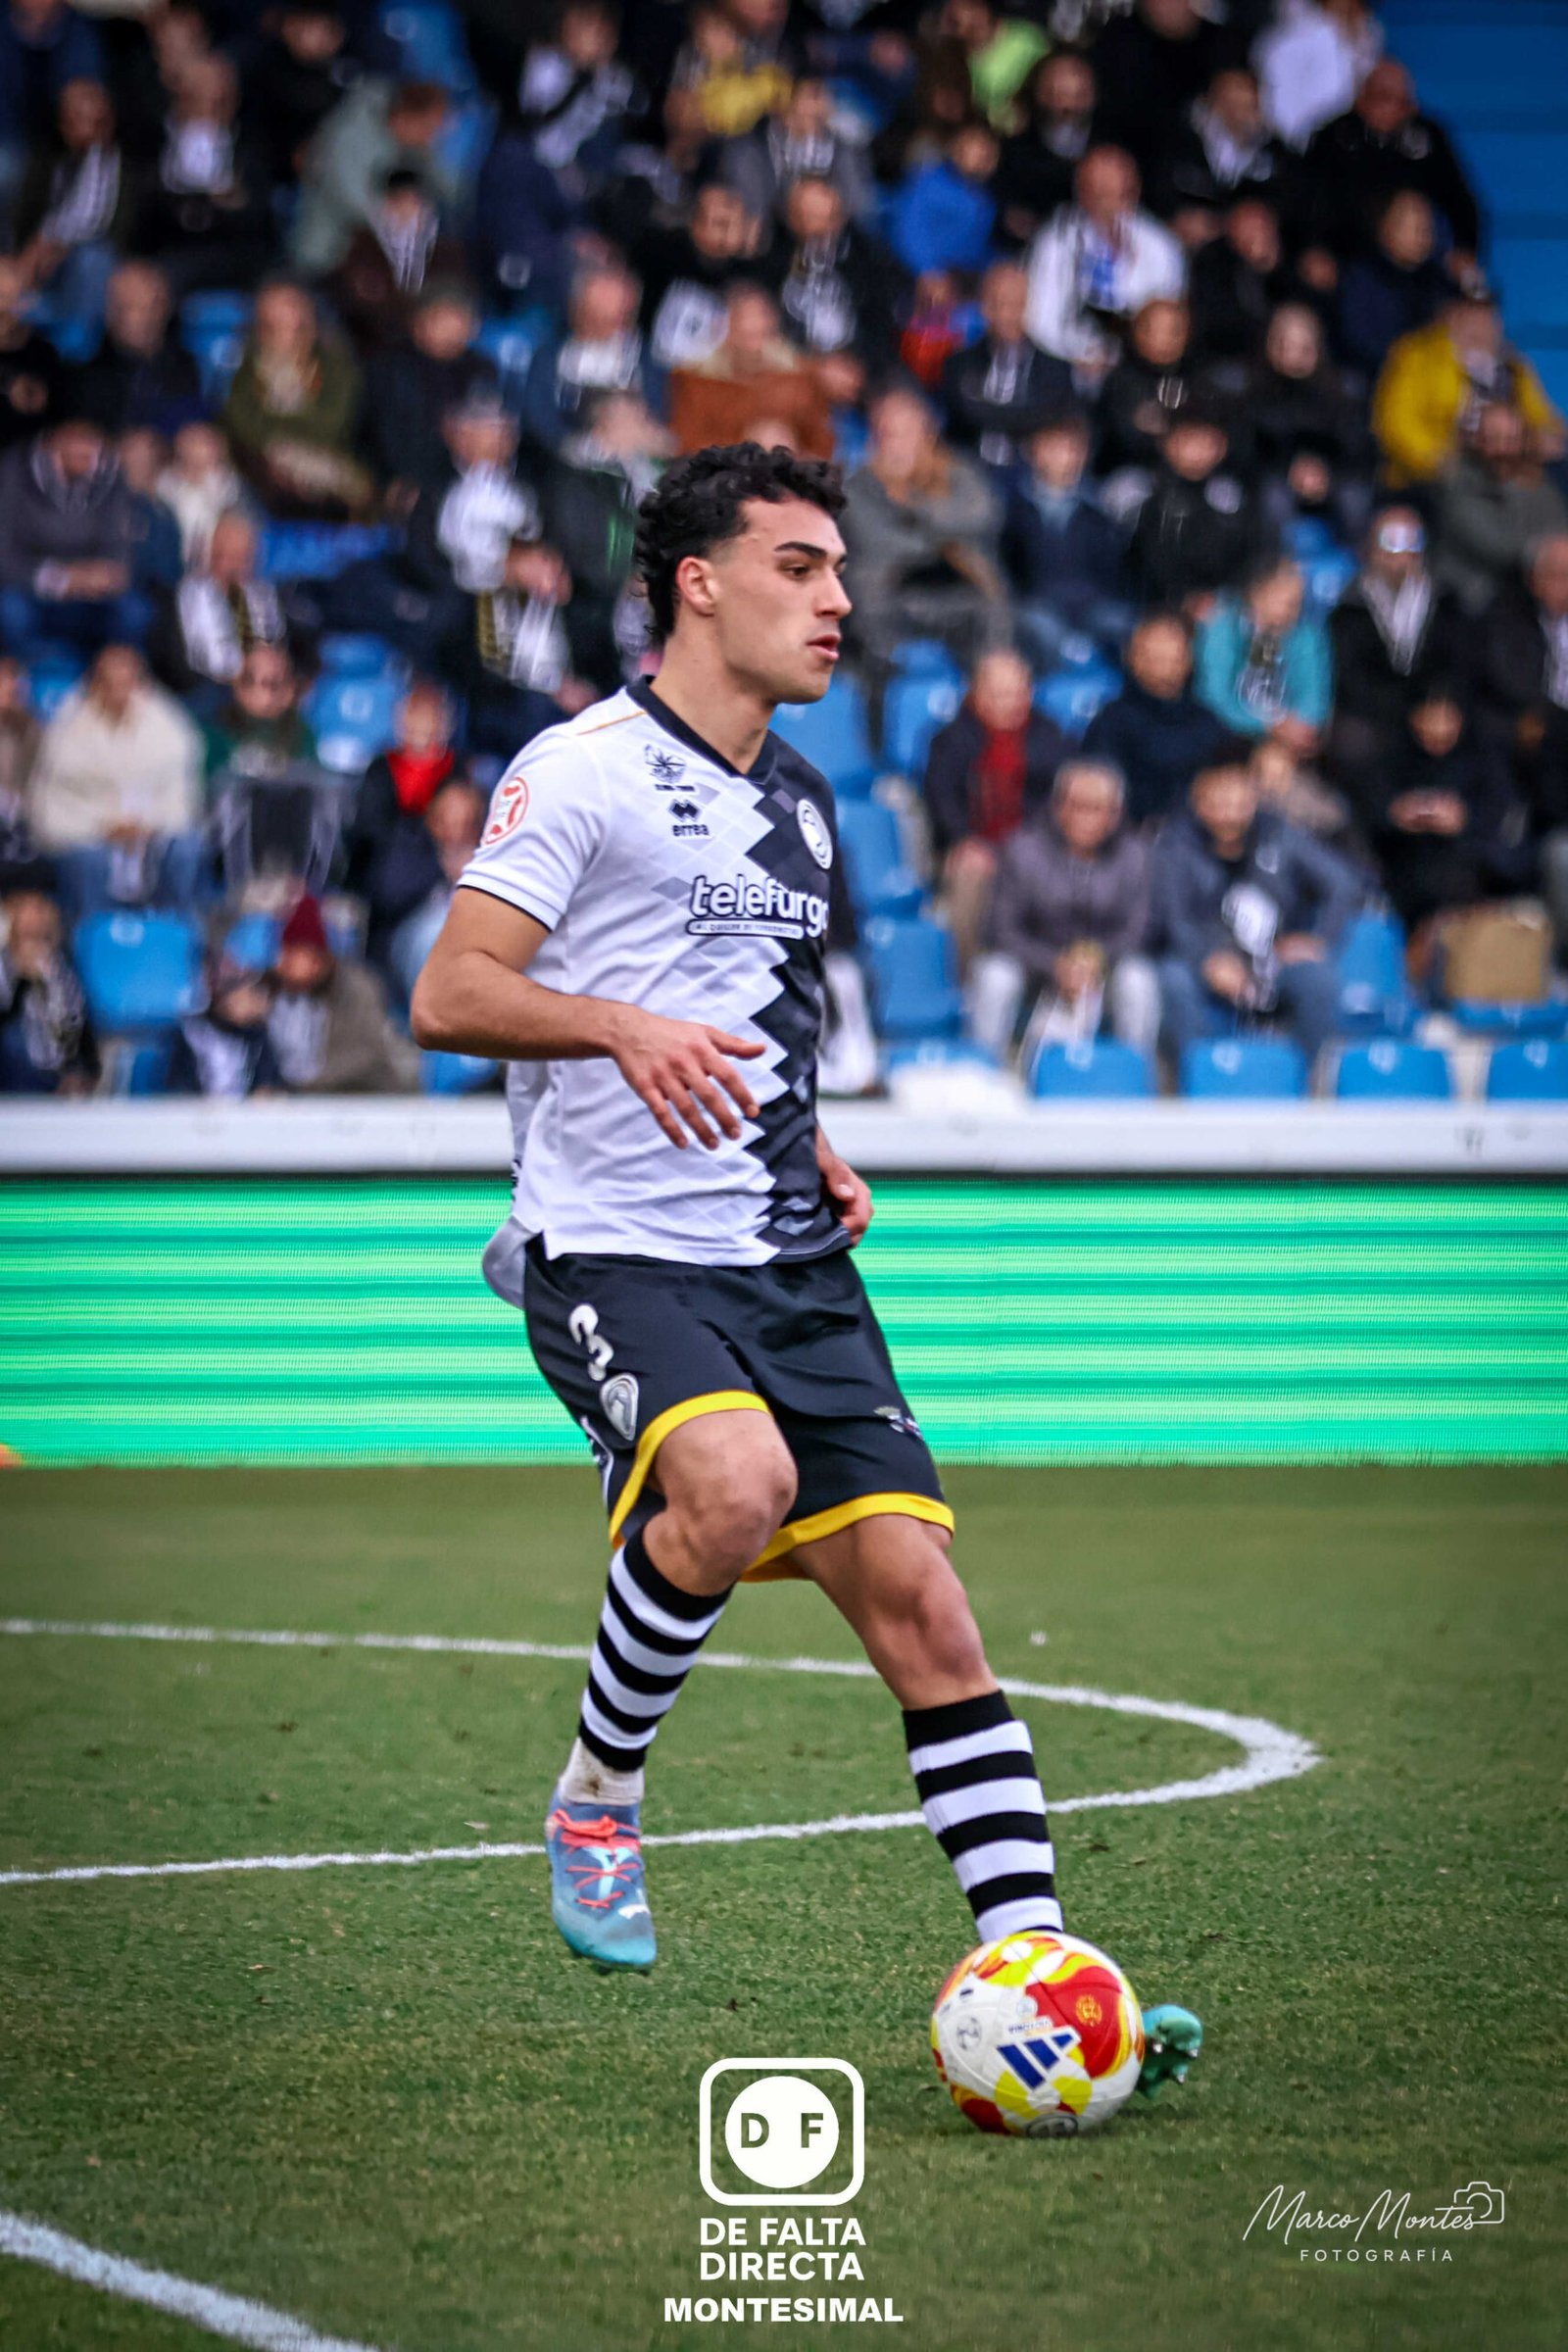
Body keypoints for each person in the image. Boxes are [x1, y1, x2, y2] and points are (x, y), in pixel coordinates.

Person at [409, 441, 1113, 2009]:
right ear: (697, 584)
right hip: (614, 1242)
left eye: (843, 572)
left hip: (790, 1250)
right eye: (801, 568)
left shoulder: (803, 803)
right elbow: (450, 994)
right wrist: (615, 1032)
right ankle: (598, 1794)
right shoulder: (579, 767)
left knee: (927, 1605)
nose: (839, 601)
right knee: (735, 1484)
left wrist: (821, 1140)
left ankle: (1041, 1970)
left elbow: (753, 1021)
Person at [1151, 749, 1361, 1070]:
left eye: (1238, 799)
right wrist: (1208, 959)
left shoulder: (1280, 833)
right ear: (1198, 801)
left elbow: (1343, 884)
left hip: (1271, 955)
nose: (1230, 812)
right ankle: (1199, 1080)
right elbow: (1172, 921)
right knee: (1173, 978)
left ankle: (1301, 1081)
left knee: (1317, 977)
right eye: (1218, 800)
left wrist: (1318, 939)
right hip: (1200, 957)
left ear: (1254, 797)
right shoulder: (1174, 845)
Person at [967, 758, 1158, 1064]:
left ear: (1114, 815)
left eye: (1097, 808)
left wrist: (1094, 962)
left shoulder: (1135, 855)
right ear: (1058, 807)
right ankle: (982, 1074)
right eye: (1077, 805)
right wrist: (1055, 964)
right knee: (994, 975)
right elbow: (1001, 929)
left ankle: (1133, 1078)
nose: (1085, 817)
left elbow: (1139, 929)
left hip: (1103, 971)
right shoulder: (1022, 849)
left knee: (1139, 979)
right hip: (1034, 968)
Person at [842, 384, 1006, 694]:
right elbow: (874, 542)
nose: (898, 444)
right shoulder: (858, 486)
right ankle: (886, 712)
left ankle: (990, 696)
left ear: (926, 433)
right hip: (891, 597)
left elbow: (983, 516)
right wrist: (938, 541)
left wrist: (912, 506)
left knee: (991, 599)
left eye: (906, 433)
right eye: (888, 434)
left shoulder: (956, 473)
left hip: (954, 592)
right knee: (866, 598)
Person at [28, 641, 205, 914]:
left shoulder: (169, 727)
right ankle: (93, 938)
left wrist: (149, 824)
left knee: (185, 847)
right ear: (94, 685)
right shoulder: (67, 730)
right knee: (90, 860)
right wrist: (103, 826)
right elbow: (54, 801)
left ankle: (176, 932)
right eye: (109, 683)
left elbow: (181, 794)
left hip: (153, 830)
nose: (118, 692)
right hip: (91, 834)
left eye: (127, 682)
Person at [920, 647, 1068, 972]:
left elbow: (1058, 801)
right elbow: (941, 797)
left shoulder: (1049, 736)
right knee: (970, 871)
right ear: (977, 695)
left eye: (1018, 693)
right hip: (976, 846)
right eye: (1000, 694)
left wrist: (1030, 847)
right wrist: (964, 839)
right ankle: (968, 978)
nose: (1011, 703)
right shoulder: (950, 739)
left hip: (1037, 846)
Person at [1326, 504, 1468, 810]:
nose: (1400, 557)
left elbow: (1457, 662)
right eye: (1391, 544)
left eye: (1410, 545)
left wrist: (1443, 705)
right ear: (1371, 547)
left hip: (1434, 712)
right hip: (1379, 717)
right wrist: (1409, 713)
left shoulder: (1447, 602)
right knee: (1354, 738)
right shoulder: (1349, 608)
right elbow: (1350, 678)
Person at [1373, 286, 1565, 491]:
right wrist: (1435, 459)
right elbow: (1395, 422)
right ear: (1453, 317)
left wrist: (1545, 439)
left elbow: (1541, 415)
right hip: (1441, 470)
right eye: (1471, 316)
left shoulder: (1513, 365)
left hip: (1505, 464)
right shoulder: (1418, 357)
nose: (1479, 326)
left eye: (1486, 317)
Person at [1474, 532, 1568, 947]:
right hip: (1528, 759)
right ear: (1534, 579)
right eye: (1557, 576)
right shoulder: (1506, 616)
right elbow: (1510, 685)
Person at [1302, 59, 1481, 268]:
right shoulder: (1333, 138)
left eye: (1402, 101)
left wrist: (1465, 249)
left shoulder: (1427, 137)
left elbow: (1459, 197)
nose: (1393, 108)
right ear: (1361, 100)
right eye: (1383, 97)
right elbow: (1310, 203)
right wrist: (1315, 250)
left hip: (1420, 263)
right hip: (1348, 259)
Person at [1023, 145, 1185, 374]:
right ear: (1081, 192)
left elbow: (1169, 320)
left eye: (1116, 191)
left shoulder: (1160, 245)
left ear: (1134, 190)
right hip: (1066, 366)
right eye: (1098, 191)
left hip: (1138, 368)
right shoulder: (1055, 241)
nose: (1108, 202)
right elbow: (1040, 320)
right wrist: (1080, 353)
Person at [0, 415, 149, 660]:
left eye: (92, 440)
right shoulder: (14, 470)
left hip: (91, 592)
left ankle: (118, 682)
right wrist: (61, 578)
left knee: (135, 611)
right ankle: (28, 682)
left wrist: (107, 574)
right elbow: (4, 556)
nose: (88, 450)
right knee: (10, 610)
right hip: (32, 588)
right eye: (78, 439)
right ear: (54, 439)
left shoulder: (110, 474)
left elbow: (120, 545)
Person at [221, 279, 371, 520]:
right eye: (272, 324)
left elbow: (330, 425)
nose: (284, 334)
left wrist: (279, 438)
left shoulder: (337, 368)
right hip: (264, 481)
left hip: (331, 478)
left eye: (292, 324)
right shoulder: (247, 369)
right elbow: (242, 424)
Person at [1003, 407, 1132, 665]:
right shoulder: (1012, 509)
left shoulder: (1099, 511)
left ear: (1084, 455)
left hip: (1093, 604)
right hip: (1036, 605)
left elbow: (1114, 571)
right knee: (1042, 630)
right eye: (1052, 447)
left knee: (1127, 626)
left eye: (1071, 449)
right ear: (1032, 451)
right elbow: (1008, 567)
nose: (1062, 457)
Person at [1082, 611, 1231, 828]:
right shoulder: (1111, 723)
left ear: (1188, 661)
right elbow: (1103, 794)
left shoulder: (1209, 723)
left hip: (1200, 840)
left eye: (1173, 658)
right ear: (1132, 658)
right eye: (1154, 657)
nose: (1164, 667)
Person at [267, 887, 419, 1093]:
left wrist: (297, 1087)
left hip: (366, 1098)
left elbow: (363, 1055)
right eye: (285, 953)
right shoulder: (271, 989)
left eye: (296, 953)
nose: (285, 962)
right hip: (301, 1105)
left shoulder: (357, 988)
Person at [666, 281, 836, 460]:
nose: (753, 346)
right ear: (723, 327)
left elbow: (822, 448)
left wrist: (789, 451)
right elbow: (686, 447)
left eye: (761, 328)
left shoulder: (798, 379)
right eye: (743, 330)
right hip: (724, 482)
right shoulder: (696, 381)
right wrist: (746, 444)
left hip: (786, 478)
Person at [1434, 403, 1568, 619]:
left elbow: (1561, 532)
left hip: (1528, 604)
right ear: (1477, 441)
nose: (1503, 449)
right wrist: (1552, 558)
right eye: (1493, 438)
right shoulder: (1458, 486)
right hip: (1468, 605)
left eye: (1511, 440)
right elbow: (1502, 548)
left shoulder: (1538, 486)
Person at [939, 259, 1073, 476]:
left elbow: (1047, 419)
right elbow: (961, 416)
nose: (1007, 314)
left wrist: (982, 408)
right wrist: (1023, 415)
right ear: (984, 307)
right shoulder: (958, 364)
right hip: (968, 472)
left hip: (1030, 476)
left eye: (1015, 303)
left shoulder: (1056, 369)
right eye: (998, 303)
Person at [1127, 401, 1259, 614]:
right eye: (1189, 441)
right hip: (1158, 606)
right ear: (1166, 443)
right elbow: (1145, 563)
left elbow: (1248, 554)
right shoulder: (1146, 493)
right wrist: (1184, 599)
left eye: (1208, 442)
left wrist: (1219, 596)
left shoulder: (1232, 497)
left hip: (1221, 606)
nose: (1198, 452)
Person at [1194, 556, 1333, 755]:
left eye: (1297, 602)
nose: (1292, 609)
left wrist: (1298, 724)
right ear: (1257, 594)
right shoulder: (1222, 626)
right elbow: (1215, 696)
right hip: (1228, 734)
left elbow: (1315, 693)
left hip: (1287, 741)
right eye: (1285, 600)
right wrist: (1266, 726)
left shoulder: (1306, 636)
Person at [75, 260, 204, 442]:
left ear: (163, 308)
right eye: (120, 306)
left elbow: (188, 424)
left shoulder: (183, 363)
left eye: (140, 307)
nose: (127, 318)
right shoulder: (89, 374)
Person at [1333, 189, 1448, 386]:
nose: (1421, 234)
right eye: (1411, 226)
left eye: (1425, 227)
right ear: (1385, 228)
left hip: (1430, 384)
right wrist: (1407, 358)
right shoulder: (1361, 277)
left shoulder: (1440, 281)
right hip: (1377, 381)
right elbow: (1357, 342)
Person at [0, 882, 96, 1093]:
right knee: (13, 1039)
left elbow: (77, 1028)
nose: (35, 917)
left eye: (41, 907)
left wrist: (80, 1070)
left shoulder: (63, 971)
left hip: (53, 1078)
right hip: (10, 1075)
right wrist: (23, 982)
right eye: (27, 908)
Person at [165, 938, 284, 1099]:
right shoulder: (190, 1034)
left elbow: (267, 1081)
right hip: (198, 1117)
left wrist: (265, 1091)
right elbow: (179, 1085)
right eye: (249, 994)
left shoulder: (258, 1036)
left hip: (245, 1119)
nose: (260, 1001)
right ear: (222, 998)